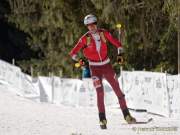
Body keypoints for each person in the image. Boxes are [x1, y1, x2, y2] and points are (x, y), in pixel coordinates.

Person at [69, 14, 136, 129]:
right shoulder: (84, 38)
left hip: (107, 66)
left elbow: (118, 44)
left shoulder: (104, 33)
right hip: (94, 68)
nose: (91, 27)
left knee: (117, 90)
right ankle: (102, 119)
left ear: (96, 24)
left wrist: (120, 56)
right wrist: (82, 62)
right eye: (88, 25)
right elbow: (72, 54)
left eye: (93, 24)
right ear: (87, 27)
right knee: (100, 93)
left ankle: (127, 115)